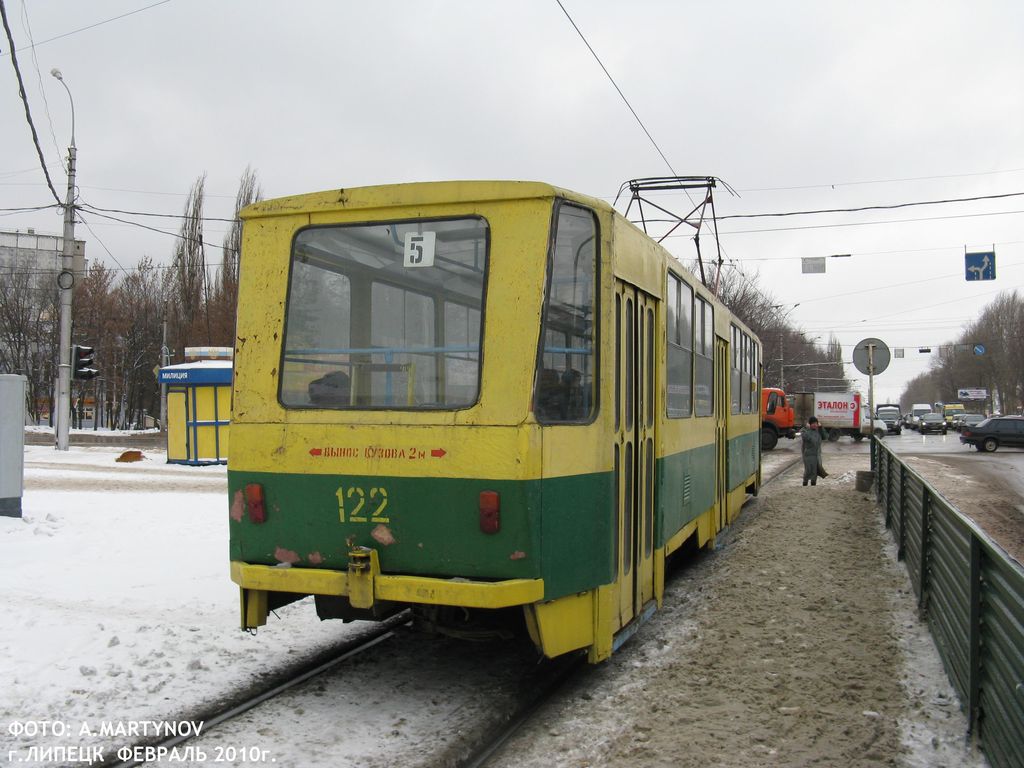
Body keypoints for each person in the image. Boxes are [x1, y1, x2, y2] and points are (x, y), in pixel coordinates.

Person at [801, 416, 828, 486]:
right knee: (808, 470)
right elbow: (806, 437)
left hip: (817, 455)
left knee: (815, 471)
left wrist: (821, 427)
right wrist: (807, 428)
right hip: (808, 455)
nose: (815, 425)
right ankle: (805, 483)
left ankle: (813, 484)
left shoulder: (818, 430)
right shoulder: (805, 430)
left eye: (816, 423)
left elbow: (825, 437)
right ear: (809, 424)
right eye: (813, 423)